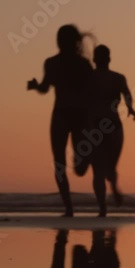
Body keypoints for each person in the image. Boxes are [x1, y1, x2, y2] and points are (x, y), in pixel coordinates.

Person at [27, 25, 93, 217]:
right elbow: (46, 88)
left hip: (78, 116)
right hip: (61, 115)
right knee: (59, 163)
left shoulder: (83, 64)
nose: (60, 42)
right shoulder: (52, 63)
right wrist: (36, 86)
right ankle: (68, 208)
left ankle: (85, 160)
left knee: (79, 169)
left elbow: (92, 90)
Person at [76, 45, 135, 217]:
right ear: (109, 59)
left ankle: (103, 207)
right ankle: (108, 196)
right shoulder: (117, 78)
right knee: (108, 168)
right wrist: (130, 108)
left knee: (99, 170)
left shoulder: (89, 78)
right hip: (112, 124)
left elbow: (81, 102)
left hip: (96, 126)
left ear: (95, 60)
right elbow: (127, 94)